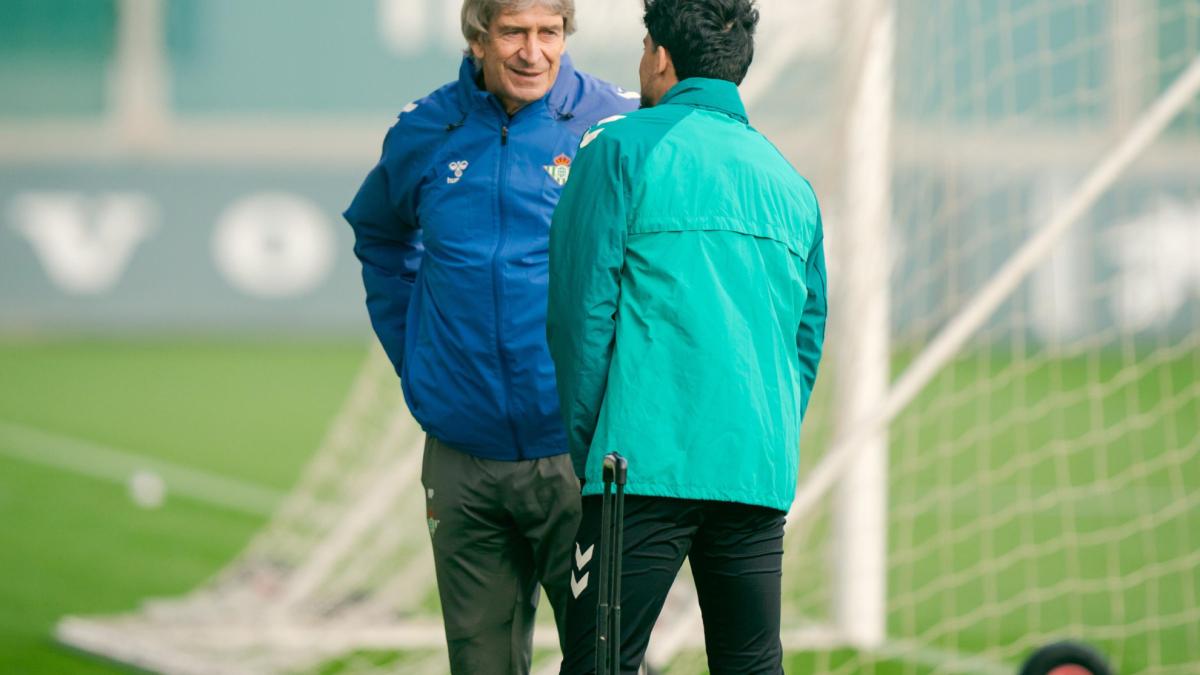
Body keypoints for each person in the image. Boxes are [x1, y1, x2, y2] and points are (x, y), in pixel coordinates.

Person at [343, 1, 638, 672]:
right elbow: (380, 236)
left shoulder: (615, 125)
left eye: (548, 32)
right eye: (513, 33)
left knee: (609, 661)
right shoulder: (426, 128)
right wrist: (419, 357)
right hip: (464, 459)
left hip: (582, 456)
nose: (533, 52)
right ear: (477, 39)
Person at [546, 0, 828, 672]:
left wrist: (596, 451)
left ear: (661, 57)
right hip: (755, 466)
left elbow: (579, 318)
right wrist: (763, 431)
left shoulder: (618, 147)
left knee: (600, 664)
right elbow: (807, 337)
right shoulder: (790, 181)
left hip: (638, 465)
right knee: (750, 665)